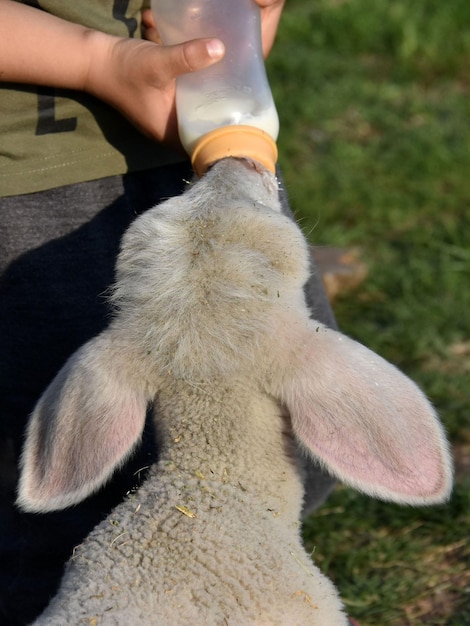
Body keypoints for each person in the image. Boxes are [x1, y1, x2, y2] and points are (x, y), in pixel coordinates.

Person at [0, 1, 337, 623]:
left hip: (203, 131)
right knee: (60, 502)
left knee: (299, 441)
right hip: (32, 176)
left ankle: (239, 589)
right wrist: (96, 60)